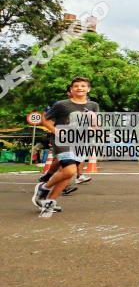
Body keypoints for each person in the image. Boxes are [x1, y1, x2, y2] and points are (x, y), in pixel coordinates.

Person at [32, 77, 99, 217]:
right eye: (76, 86)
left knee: (67, 176)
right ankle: (43, 188)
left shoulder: (93, 105)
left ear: (88, 89)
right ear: (71, 89)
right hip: (62, 141)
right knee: (69, 171)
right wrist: (55, 131)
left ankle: (49, 201)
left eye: (83, 86)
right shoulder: (61, 104)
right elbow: (44, 119)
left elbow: (94, 124)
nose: (79, 88)